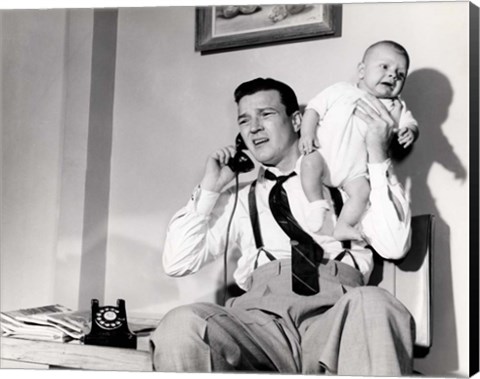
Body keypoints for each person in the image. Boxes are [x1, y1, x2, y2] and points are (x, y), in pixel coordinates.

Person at [150, 77, 414, 375]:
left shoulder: (347, 181)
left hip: (337, 319)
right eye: (244, 120)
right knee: (182, 324)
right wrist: (210, 189)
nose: (254, 128)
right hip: (260, 328)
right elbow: (177, 262)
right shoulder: (239, 197)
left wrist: (378, 157)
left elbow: (394, 246)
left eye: (266, 114)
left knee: (375, 303)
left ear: (298, 120)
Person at [299, 41, 419, 241]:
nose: (393, 75)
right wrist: (307, 133)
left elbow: (410, 122)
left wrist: (410, 131)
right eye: (385, 67)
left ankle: (343, 225)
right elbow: (313, 109)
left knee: (362, 192)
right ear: (362, 71)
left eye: (401, 75)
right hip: (324, 156)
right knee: (308, 163)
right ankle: (316, 204)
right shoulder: (340, 90)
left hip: (354, 173)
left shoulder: (395, 106)